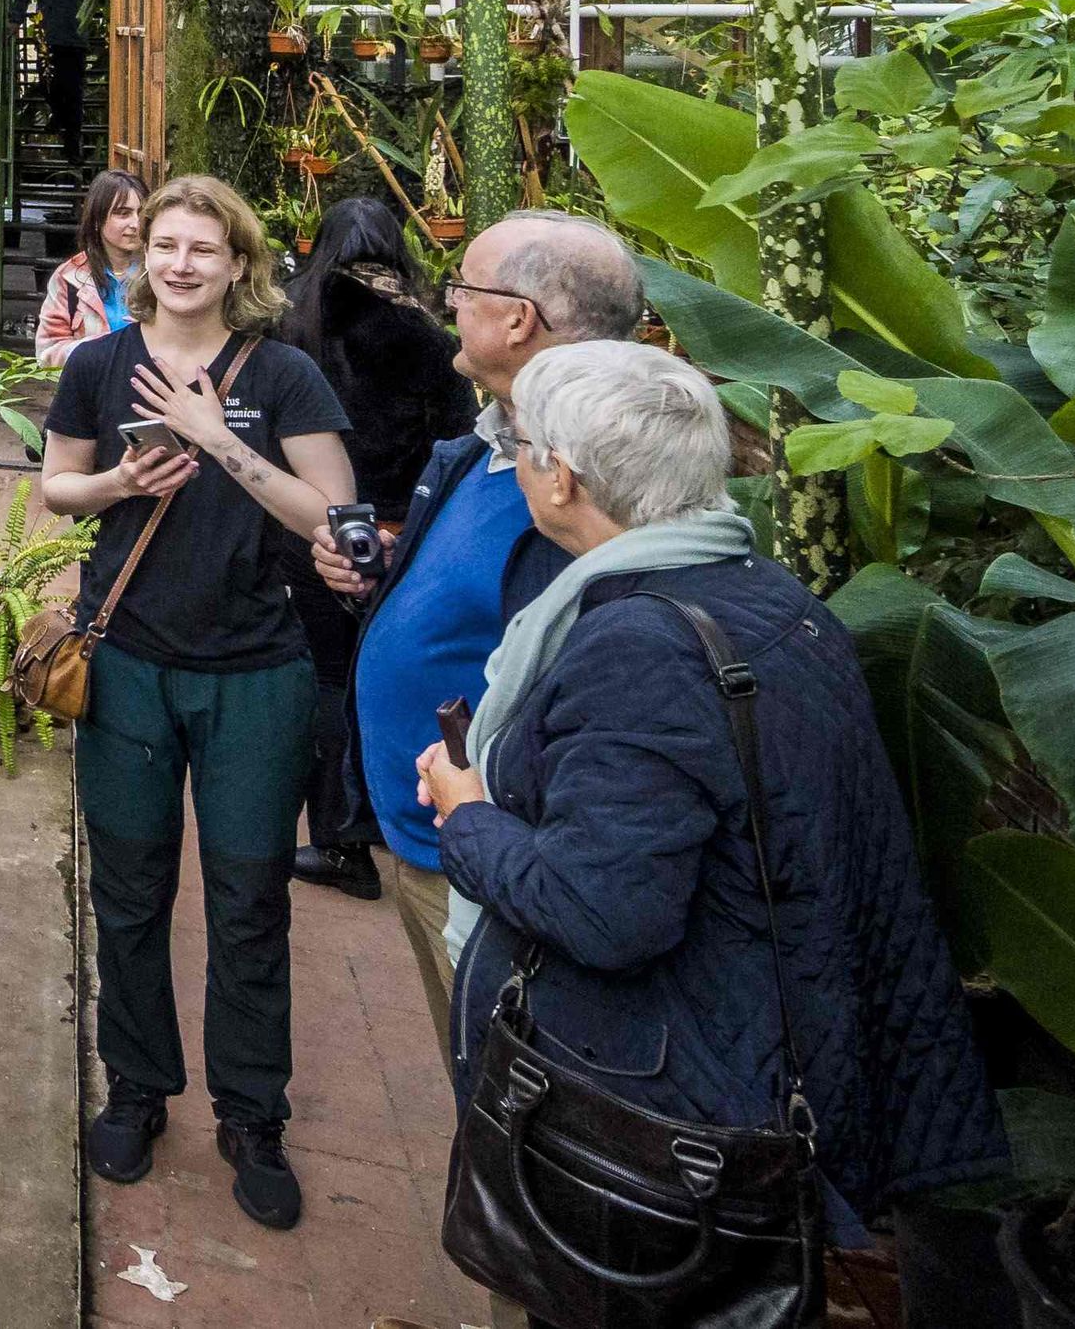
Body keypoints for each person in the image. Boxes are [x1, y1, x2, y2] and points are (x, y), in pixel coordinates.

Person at [415, 342, 1006, 1313]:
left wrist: (467, 815)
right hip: (757, 1058)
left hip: (662, 1118)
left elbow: (608, 910)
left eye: (519, 443)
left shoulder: (639, 644)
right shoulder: (764, 595)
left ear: (559, 475)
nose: (515, 462)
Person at [40, 174, 361, 1232]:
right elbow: (58, 485)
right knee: (128, 892)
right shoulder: (96, 364)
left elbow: (334, 513)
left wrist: (216, 437)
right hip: (127, 661)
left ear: (238, 263)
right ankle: (134, 1085)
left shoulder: (285, 373)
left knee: (247, 898)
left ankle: (250, 1111)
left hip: (256, 669)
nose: (179, 262)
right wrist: (122, 484)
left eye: (203, 247)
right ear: (141, 257)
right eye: (164, 245)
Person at [310, 211, 630, 1040]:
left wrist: (488, 827)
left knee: (509, 1079)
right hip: (430, 832)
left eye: (465, 288)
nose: (446, 302)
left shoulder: (589, 478)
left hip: (492, 854)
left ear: (519, 317)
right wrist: (379, 583)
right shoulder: (490, 441)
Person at [275, 197, 478, 901]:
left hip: (308, 526)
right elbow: (457, 434)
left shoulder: (291, 315)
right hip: (402, 530)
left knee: (323, 679)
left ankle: (337, 841)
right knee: (376, 672)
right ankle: (400, 818)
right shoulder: (426, 326)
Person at [33, 168, 144, 369]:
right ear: (96, 219)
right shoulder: (69, 278)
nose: (136, 223)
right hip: (90, 394)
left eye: (142, 212)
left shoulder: (161, 273)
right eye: (123, 213)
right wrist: (100, 349)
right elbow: (47, 353)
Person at [24, 0, 92, 157]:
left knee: (71, 93)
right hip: (55, 42)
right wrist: (14, 18)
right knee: (56, 87)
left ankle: (70, 141)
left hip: (72, 43)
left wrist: (15, 18)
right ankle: (63, 125)